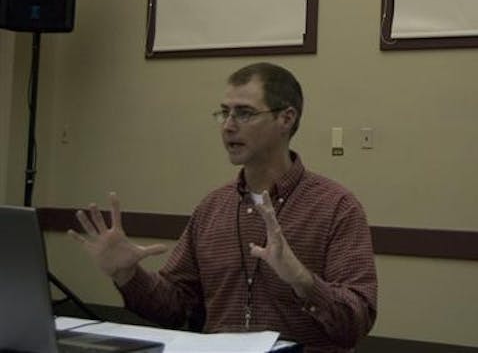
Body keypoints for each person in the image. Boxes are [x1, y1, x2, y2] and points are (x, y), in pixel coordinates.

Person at [69, 62, 377, 353]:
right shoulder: (213, 207)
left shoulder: (336, 206)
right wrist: (128, 275)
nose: (228, 126)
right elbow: (175, 309)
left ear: (286, 118)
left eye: (244, 113)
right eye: (224, 113)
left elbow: (357, 321)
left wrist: (301, 279)